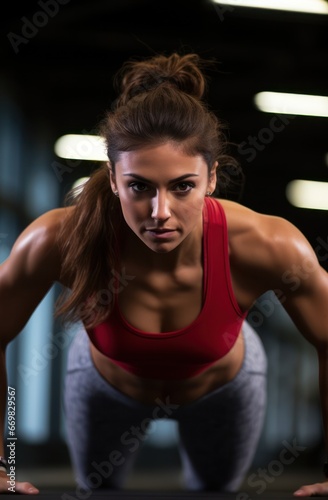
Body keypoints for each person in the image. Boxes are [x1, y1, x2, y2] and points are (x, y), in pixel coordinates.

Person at [0, 52, 327, 497]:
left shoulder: (267, 244)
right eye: (139, 187)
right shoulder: (57, 240)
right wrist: (1, 460)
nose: (160, 213)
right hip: (104, 383)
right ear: (113, 178)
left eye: (182, 186)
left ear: (211, 178)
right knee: (97, 491)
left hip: (223, 387)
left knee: (214, 493)